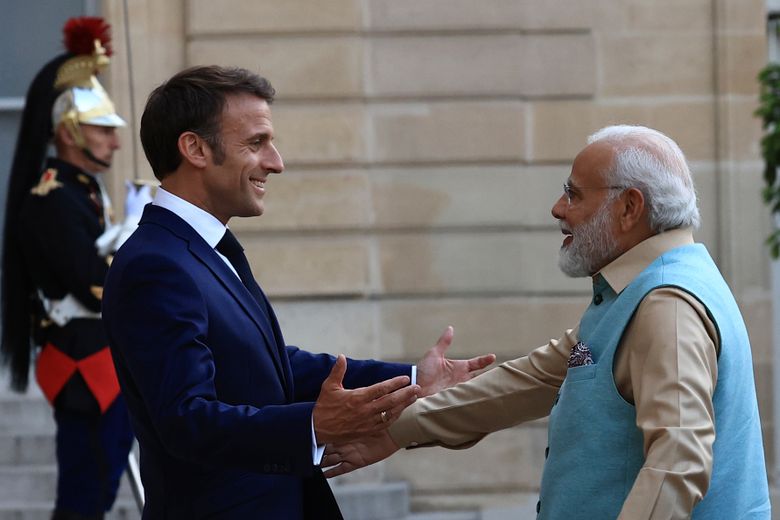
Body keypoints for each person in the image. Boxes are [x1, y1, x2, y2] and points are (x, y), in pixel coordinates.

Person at [100, 64, 495, 519]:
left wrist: (411, 379)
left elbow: (268, 366)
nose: (276, 162)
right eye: (256, 143)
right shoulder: (157, 263)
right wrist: (311, 424)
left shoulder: (200, 250)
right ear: (194, 148)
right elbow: (187, 420)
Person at [322, 125, 771, 519]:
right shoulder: (641, 290)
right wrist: (395, 430)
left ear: (629, 207)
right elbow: (532, 381)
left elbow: (678, 461)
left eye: (574, 193)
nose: (558, 208)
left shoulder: (665, 305)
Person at [0, 17, 150, 520]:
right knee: (86, 498)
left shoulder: (82, 191)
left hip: (104, 359)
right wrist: (135, 246)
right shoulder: (52, 198)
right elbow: (97, 286)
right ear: (67, 131)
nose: (114, 141)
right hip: (85, 363)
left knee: (99, 489)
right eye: (101, 129)